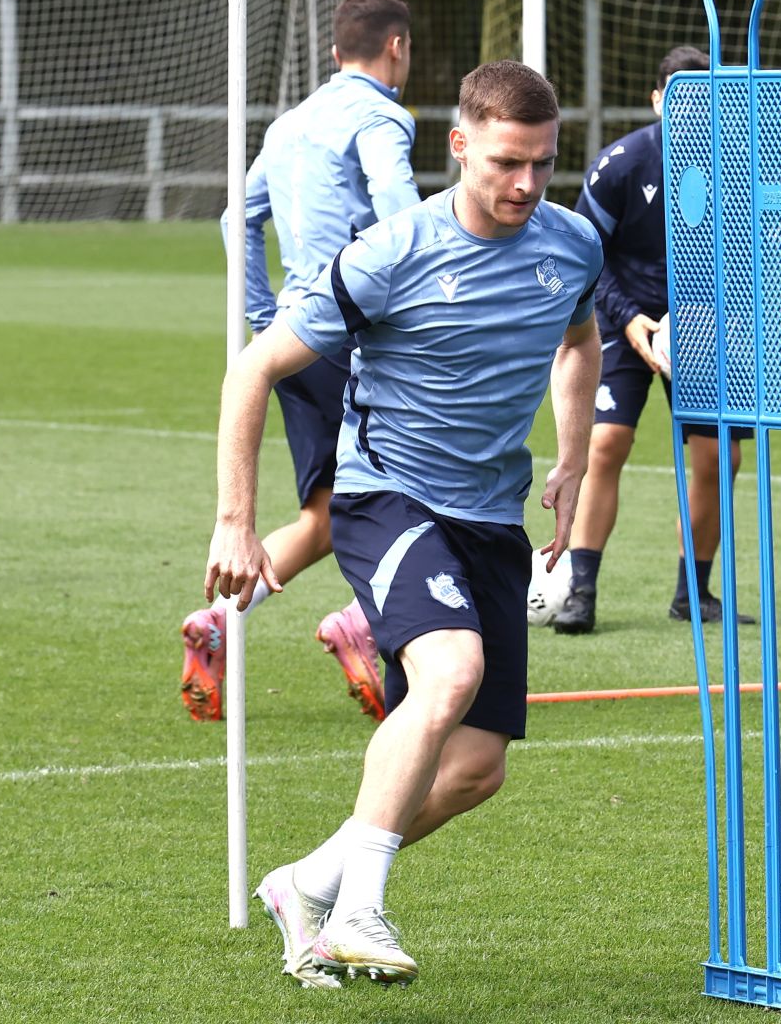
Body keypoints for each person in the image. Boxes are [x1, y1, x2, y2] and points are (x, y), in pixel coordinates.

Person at [205, 59, 602, 986]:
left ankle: (306, 884)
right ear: (458, 146)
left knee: (474, 769)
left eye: (543, 165)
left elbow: (579, 342)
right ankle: (360, 912)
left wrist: (574, 457)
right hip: (386, 496)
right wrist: (236, 522)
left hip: (489, 516)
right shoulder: (391, 254)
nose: (526, 185)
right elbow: (251, 371)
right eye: (508, 162)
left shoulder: (571, 246)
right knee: (450, 671)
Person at [180, 0, 420, 724]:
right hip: (361, 336)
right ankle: (366, 621)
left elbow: (235, 217)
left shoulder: (290, 125)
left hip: (296, 337)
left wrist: (264, 314)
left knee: (323, 513)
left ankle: (223, 621)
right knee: (429, 482)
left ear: (335, 50)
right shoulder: (381, 116)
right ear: (397, 48)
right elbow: (398, 204)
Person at [551, 45, 756, 635]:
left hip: (702, 327)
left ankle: (694, 592)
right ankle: (580, 590)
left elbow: (744, 258)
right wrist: (632, 318)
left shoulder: (736, 168)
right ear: (658, 100)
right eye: (681, 99)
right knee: (607, 442)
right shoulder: (620, 164)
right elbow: (584, 256)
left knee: (721, 457)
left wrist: (706, 318)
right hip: (617, 321)